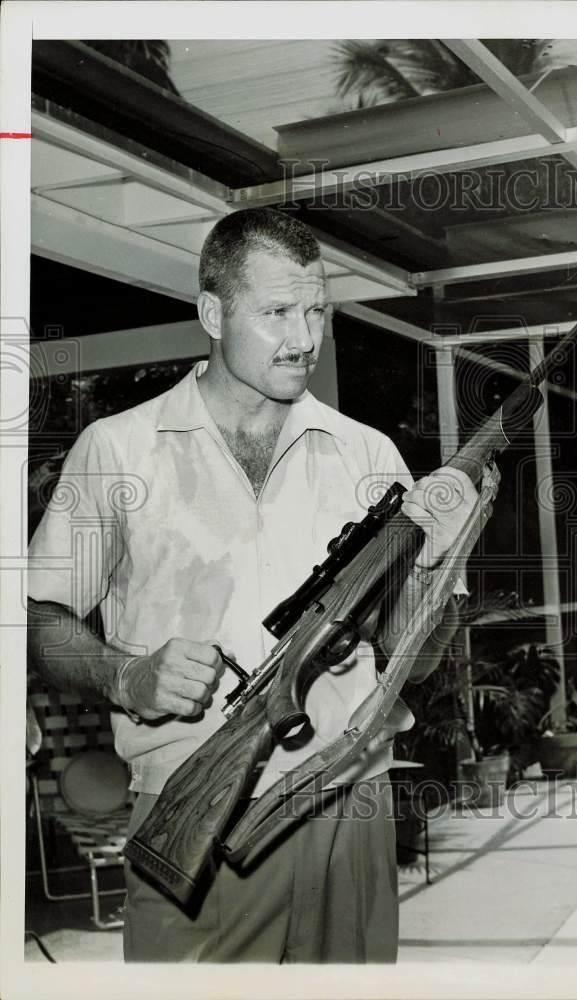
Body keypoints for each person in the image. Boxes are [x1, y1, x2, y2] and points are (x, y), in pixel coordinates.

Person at [27, 208, 478, 963]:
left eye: (316, 311)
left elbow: (417, 660)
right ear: (213, 312)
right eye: (276, 313)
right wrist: (127, 675)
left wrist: (436, 571)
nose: (303, 338)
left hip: (353, 800)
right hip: (193, 812)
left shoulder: (368, 455)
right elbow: (39, 618)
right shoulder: (118, 449)